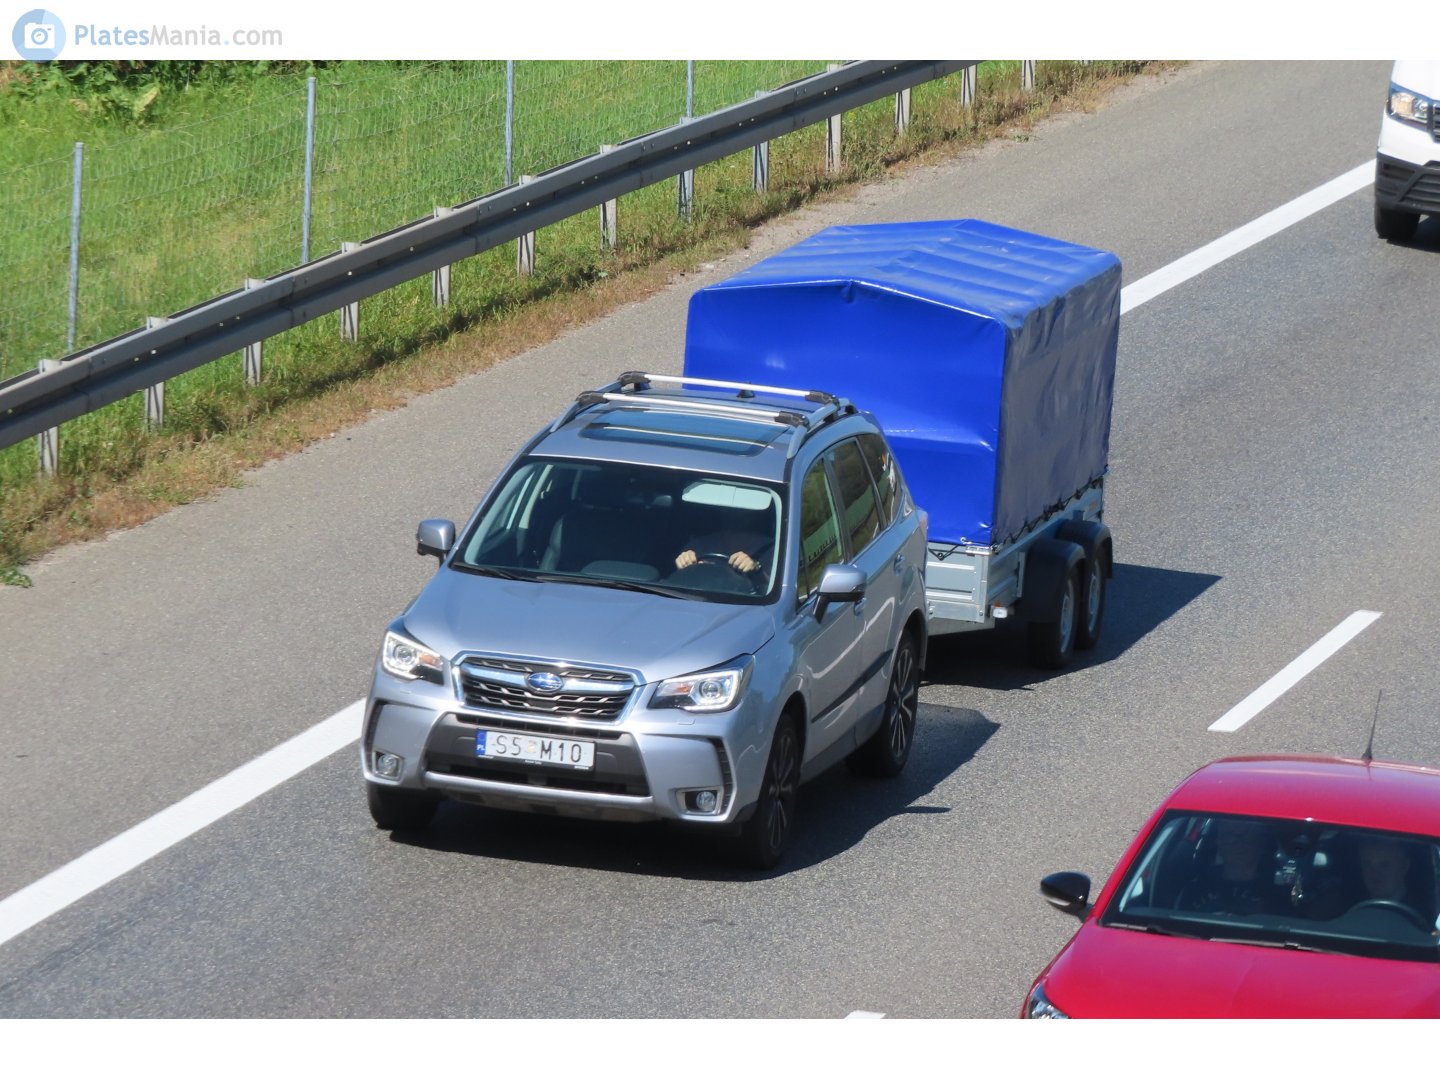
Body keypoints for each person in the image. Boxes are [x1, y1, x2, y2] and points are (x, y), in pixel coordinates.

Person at [1180, 818, 1286, 916]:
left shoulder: (1278, 895)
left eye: (1248, 836)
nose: (1238, 844)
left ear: (1262, 843)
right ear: (1219, 843)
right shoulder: (1195, 888)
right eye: (1229, 836)